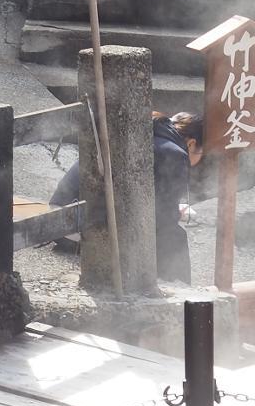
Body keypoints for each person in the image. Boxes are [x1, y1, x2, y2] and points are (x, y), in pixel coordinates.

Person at [49, 111, 205, 282]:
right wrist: (174, 213)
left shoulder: (144, 130)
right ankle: (181, 294)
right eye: (200, 154)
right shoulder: (174, 153)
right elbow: (162, 219)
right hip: (81, 230)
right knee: (174, 236)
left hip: (58, 220)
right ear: (191, 144)